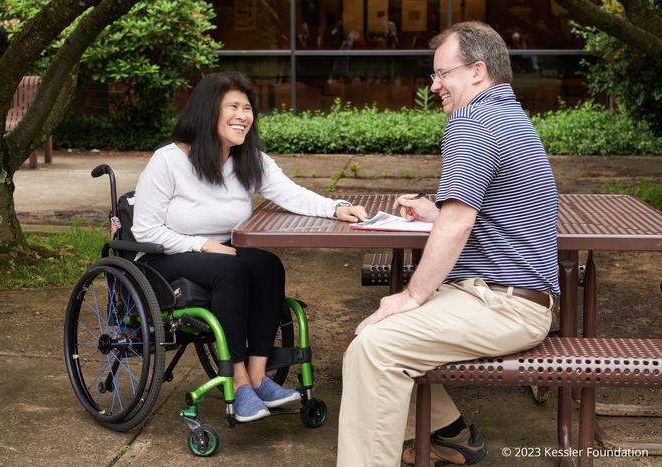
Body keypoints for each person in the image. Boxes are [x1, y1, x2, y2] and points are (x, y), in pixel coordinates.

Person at [337, 21, 559, 466]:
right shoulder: (509, 115)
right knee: (370, 335)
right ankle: (452, 435)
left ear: (477, 71)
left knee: (376, 347)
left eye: (443, 74)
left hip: (504, 304)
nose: (434, 85)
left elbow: (459, 225)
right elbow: (485, 211)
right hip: (509, 296)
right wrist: (438, 213)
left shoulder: (472, 121)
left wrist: (412, 294)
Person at [132, 72, 368, 423]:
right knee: (232, 269)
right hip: (164, 256)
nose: (243, 115)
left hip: (221, 253)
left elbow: (291, 194)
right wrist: (203, 244)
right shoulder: (168, 161)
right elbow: (144, 229)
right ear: (207, 110)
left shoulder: (248, 159)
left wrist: (335, 207)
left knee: (267, 264)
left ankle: (258, 376)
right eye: (233, 106)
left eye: (247, 107)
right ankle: (238, 381)